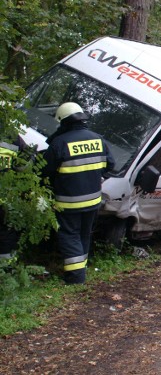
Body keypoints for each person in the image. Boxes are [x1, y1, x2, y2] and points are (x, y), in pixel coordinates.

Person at [42, 102, 115, 284]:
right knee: (83, 234)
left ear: (63, 121)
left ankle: (76, 278)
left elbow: (44, 170)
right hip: (92, 201)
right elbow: (110, 165)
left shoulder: (59, 143)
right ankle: (79, 271)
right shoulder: (97, 139)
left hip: (68, 202)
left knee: (69, 235)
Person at [0, 136, 29, 262]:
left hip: (5, 197)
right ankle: (6, 269)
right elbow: (24, 165)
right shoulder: (11, 135)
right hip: (5, 197)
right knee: (6, 233)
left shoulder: (12, 134)